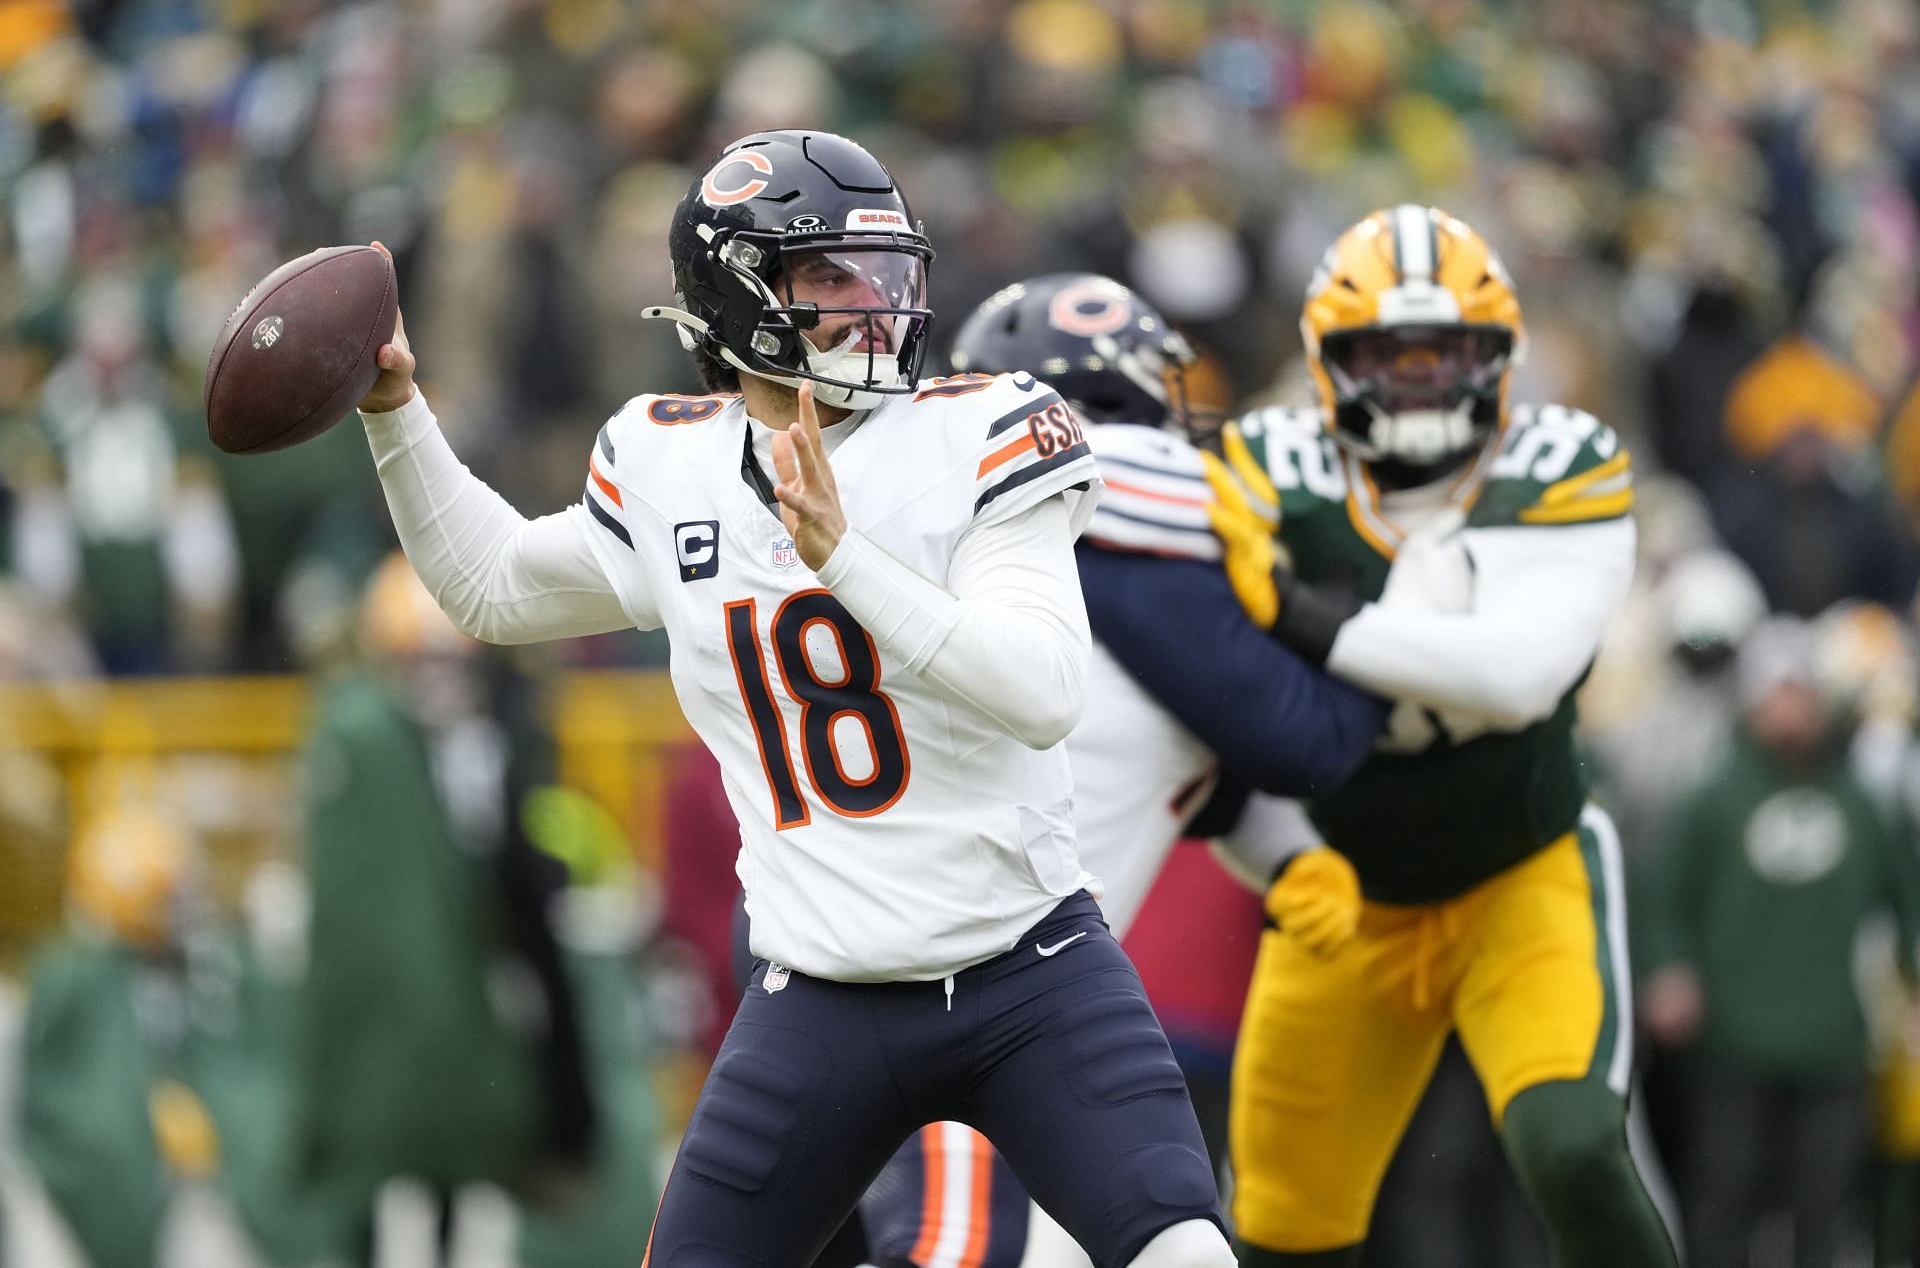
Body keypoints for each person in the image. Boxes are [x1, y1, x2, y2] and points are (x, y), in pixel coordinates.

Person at [350, 130, 1235, 1267]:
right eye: (828, 275)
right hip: (819, 997)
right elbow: (488, 586)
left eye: (884, 270)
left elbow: (1043, 689)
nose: (873, 302)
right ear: (736, 293)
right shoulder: (669, 462)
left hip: (1030, 971)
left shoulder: (980, 427)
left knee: (1187, 1257)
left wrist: (843, 556)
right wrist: (396, 415)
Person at [846, 273, 1395, 1265]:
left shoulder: (976, 556)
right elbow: (1302, 738)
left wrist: (1271, 844)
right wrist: (1366, 613)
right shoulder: (1140, 554)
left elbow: (1148, 751)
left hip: (905, 964)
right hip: (958, 982)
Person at [1205, 204, 1677, 1266]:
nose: (1417, 381)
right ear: (1329, 361)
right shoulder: (1263, 467)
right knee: (1282, 1221)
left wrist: (1301, 615)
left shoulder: (1561, 460)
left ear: (1499, 356)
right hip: (1346, 890)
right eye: (1386, 354)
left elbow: (1516, 676)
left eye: (1445, 353)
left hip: (1522, 869)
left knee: (1574, 1148)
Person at [1640, 617, 1920, 1268]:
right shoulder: (1713, 797)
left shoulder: (1858, 799)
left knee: (1824, 1208)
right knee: (1724, 1201)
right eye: (1779, 692)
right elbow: (1665, 899)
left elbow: (1907, 897)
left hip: (1834, 1040)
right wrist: (1670, 967)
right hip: (1734, 1038)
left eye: (1804, 692)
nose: (1793, 709)